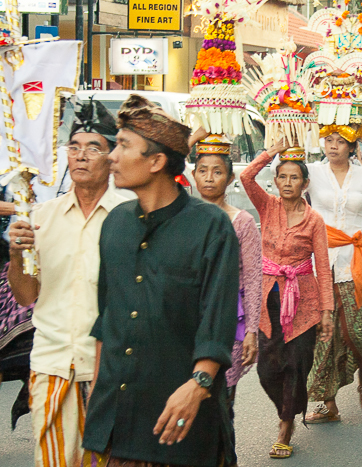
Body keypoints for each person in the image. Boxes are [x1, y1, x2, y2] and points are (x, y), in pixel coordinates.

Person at [82, 95, 240, 466]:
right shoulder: (115, 224)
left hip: (181, 421)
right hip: (117, 420)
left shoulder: (211, 227)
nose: (111, 157)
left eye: (122, 146)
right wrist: (97, 394)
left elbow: (216, 322)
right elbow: (108, 319)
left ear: (156, 161)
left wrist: (198, 386)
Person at [7, 99, 125, 467]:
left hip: (109, 373)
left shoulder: (130, 218)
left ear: (111, 157)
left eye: (93, 148)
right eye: (74, 147)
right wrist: (16, 253)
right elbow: (27, 295)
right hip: (51, 366)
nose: (81, 156)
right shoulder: (41, 218)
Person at [240, 140, 333, 459]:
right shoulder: (267, 207)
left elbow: (322, 265)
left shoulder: (314, 220)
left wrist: (327, 312)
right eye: (283, 177)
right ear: (276, 180)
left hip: (303, 304)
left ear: (305, 183)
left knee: (295, 365)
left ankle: (285, 425)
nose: (289, 182)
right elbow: (246, 178)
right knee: (267, 368)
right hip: (267, 301)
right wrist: (271, 151)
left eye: (295, 178)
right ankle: (285, 409)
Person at [304, 117, 362, 423]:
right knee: (325, 334)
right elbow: (279, 173)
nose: (332, 146)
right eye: (328, 140)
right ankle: (328, 402)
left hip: (354, 263)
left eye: (339, 141)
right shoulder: (312, 171)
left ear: (352, 145)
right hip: (318, 263)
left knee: (352, 330)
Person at [191, 135, 262, 465]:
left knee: (221, 404)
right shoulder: (182, 217)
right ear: (193, 176)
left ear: (230, 178)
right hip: (186, 322)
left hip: (227, 324)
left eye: (217, 171)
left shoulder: (242, 222)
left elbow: (251, 278)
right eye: (202, 170)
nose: (208, 177)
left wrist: (251, 331)